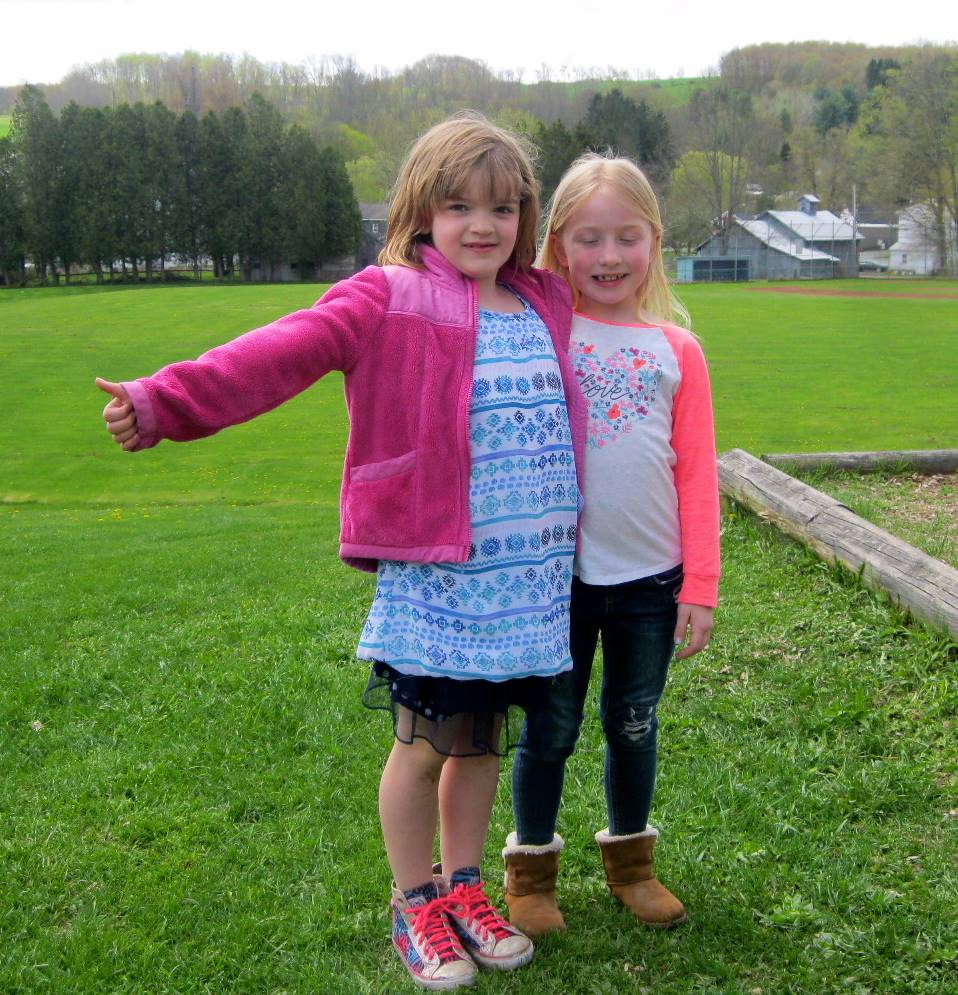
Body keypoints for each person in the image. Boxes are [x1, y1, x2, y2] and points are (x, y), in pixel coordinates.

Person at [96, 112, 587, 991]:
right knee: (425, 746)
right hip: (442, 573)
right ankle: (415, 902)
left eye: (504, 207)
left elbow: (617, 296)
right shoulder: (387, 292)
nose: (483, 225)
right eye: (459, 204)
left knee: (479, 743)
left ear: (526, 216)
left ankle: (466, 888)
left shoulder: (545, 297)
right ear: (419, 210)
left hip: (527, 580)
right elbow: (278, 353)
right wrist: (161, 401)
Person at [502, 153, 720, 936]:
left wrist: (701, 586)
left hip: (651, 585)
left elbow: (696, 476)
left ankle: (632, 863)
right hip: (556, 581)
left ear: (654, 243)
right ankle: (531, 872)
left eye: (627, 237)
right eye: (588, 239)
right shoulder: (539, 333)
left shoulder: (677, 351)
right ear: (557, 245)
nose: (608, 257)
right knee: (549, 729)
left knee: (634, 723)